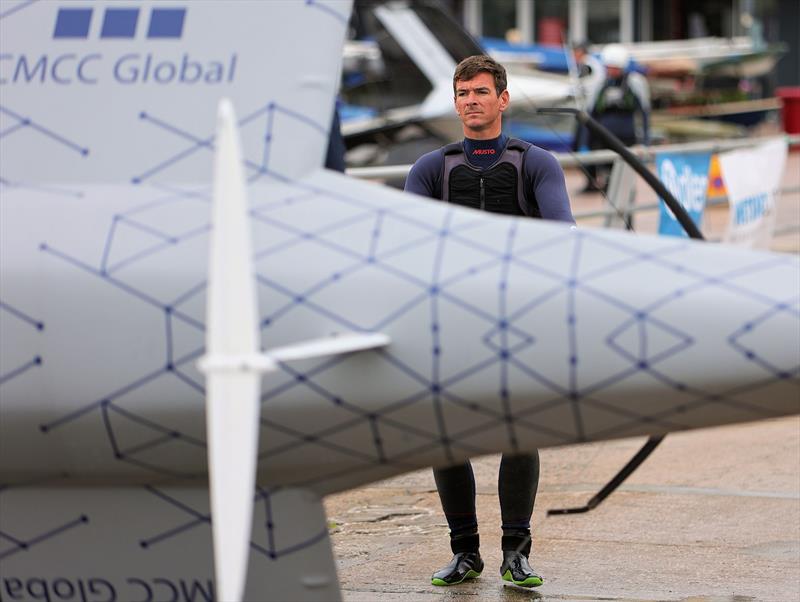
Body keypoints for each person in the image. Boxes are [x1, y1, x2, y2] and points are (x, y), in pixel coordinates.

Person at [404, 55, 575, 589]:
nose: (470, 100)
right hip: (451, 325)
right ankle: (465, 553)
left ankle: (516, 555)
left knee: (518, 436)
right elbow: (408, 247)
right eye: (462, 93)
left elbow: (562, 236)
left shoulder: (535, 163)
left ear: (502, 99)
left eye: (480, 91)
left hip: (519, 321)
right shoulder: (432, 168)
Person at [582, 43, 651, 191]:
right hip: (604, 138)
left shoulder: (635, 83)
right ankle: (610, 210)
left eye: (614, 67)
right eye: (608, 67)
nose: (610, 70)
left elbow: (644, 113)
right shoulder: (600, 84)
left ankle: (627, 212)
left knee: (626, 180)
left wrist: (645, 141)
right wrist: (586, 142)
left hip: (627, 138)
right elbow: (590, 114)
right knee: (608, 180)